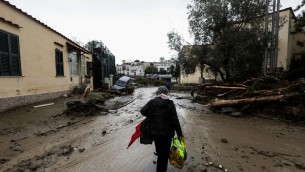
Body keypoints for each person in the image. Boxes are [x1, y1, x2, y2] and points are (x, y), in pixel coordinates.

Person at [140, 86, 183, 172]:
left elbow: (142, 111)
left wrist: (151, 116)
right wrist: (179, 134)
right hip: (167, 134)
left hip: (155, 133)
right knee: (165, 154)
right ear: (166, 93)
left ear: (158, 93)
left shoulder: (152, 101)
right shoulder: (170, 103)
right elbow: (175, 120)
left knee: (160, 152)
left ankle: (159, 164)